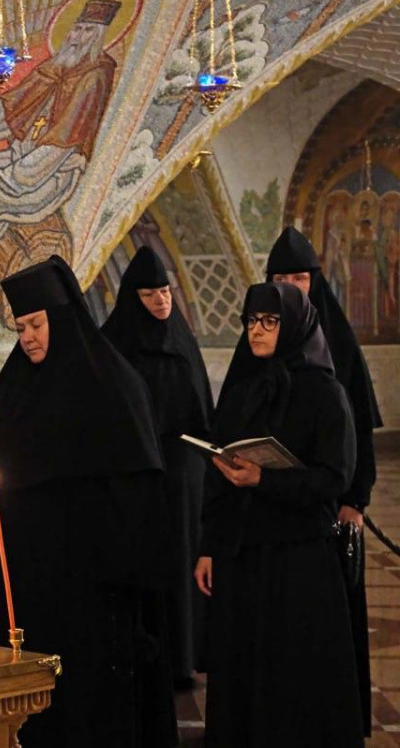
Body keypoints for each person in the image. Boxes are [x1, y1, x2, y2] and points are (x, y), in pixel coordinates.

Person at [0, 255, 176, 748]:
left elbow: (139, 493)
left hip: (96, 585)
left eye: (36, 325)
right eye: (20, 328)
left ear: (61, 318)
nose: (28, 338)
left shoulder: (114, 386)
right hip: (33, 581)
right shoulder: (14, 389)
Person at [195, 282, 362, 747]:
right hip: (242, 552)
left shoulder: (326, 393)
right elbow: (218, 479)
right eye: (252, 321)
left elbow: (335, 477)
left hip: (299, 557)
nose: (257, 330)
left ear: (294, 326)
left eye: (270, 321)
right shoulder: (242, 390)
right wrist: (208, 547)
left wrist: (264, 480)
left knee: (294, 671)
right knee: (244, 666)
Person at [0, 0, 124, 311]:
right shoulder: (57, 67)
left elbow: (59, 147)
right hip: (21, 158)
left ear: (99, 36)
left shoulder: (94, 78)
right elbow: (12, 108)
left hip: (49, 174)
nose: (76, 37)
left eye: (87, 30)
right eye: (76, 28)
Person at [261, 225, 381, 735]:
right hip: (276, 504)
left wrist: (356, 500)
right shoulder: (263, 333)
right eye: (282, 278)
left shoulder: (338, 338)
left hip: (331, 502)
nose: (291, 286)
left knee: (331, 617)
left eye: (300, 278)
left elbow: (360, 429)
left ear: (315, 280)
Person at [101, 246, 212, 687]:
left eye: (165, 291)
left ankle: (184, 659)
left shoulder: (181, 340)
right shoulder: (117, 346)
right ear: (134, 298)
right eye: (149, 294)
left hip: (184, 475)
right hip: (141, 475)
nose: (161, 301)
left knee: (185, 565)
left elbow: (201, 410)